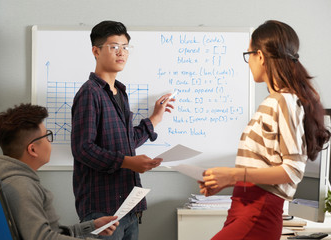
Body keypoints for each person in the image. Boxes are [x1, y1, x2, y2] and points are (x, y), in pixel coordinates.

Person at [199, 20, 331, 240]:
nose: (248, 62)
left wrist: (233, 176)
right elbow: (263, 166)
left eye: (248, 55)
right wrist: (228, 181)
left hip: (258, 213)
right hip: (243, 209)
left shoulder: (284, 101)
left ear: (260, 56)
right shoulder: (275, 101)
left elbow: (293, 170)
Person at [71, 20, 174, 240]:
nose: (122, 52)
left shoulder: (120, 92)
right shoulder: (90, 93)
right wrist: (128, 162)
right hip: (102, 208)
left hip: (128, 205)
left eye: (126, 47)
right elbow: (83, 149)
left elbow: (127, 140)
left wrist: (155, 119)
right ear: (96, 51)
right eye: (114, 46)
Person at [0, 103, 119, 240]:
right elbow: (42, 237)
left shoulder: (12, 180)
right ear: (33, 150)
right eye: (46, 136)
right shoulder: (23, 187)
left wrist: (91, 226)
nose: (50, 142)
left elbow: (50, 232)